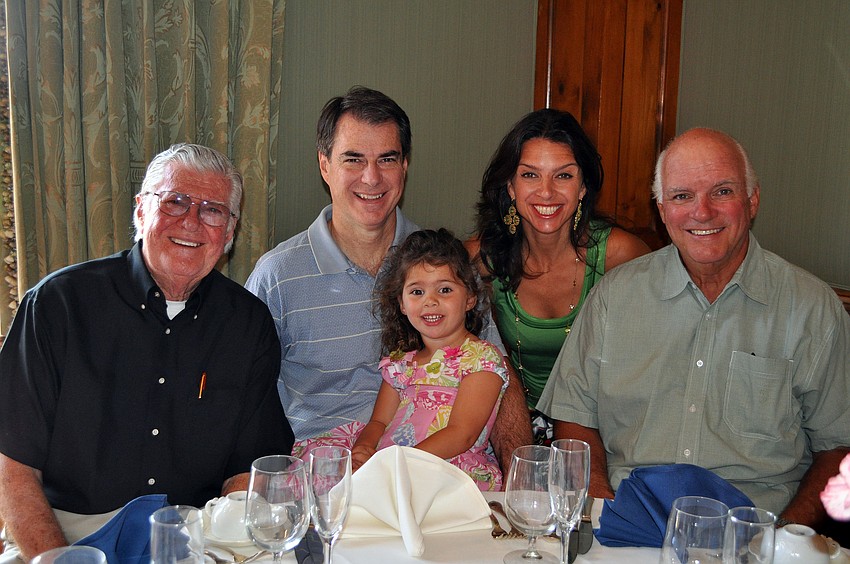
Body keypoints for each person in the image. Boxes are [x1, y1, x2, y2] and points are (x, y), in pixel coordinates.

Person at [537, 128, 850, 531]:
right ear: (662, 208)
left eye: (722, 191)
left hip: (755, 534)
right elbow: (575, 418)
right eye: (682, 196)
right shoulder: (615, 296)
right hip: (627, 524)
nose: (702, 212)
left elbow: (837, 447)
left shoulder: (812, 308)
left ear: (752, 200)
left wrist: (782, 538)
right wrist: (600, 511)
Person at [0, 144, 294, 561]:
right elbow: (11, 464)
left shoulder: (248, 325)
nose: (191, 221)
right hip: (66, 530)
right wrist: (58, 557)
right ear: (141, 210)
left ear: (228, 234)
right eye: (174, 202)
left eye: (212, 210)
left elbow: (248, 468)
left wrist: (225, 547)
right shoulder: (58, 304)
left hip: (195, 533)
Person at [245, 86, 531, 476]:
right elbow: (243, 395)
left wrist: (524, 482)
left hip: (436, 465)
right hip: (326, 474)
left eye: (387, 159)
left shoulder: (443, 266)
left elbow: (500, 377)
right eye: (353, 159)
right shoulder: (277, 276)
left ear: (405, 166)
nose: (372, 177)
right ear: (324, 165)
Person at [466, 108, 649, 444]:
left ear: (582, 188)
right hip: (517, 429)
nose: (546, 192)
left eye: (563, 176)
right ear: (510, 187)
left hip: (601, 431)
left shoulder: (619, 255)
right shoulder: (481, 259)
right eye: (530, 175)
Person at [351, 229, 508, 490]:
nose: (430, 301)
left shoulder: (481, 359)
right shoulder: (400, 364)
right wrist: (364, 449)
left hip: (448, 472)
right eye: (416, 292)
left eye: (444, 290)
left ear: (470, 298)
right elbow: (379, 422)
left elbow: (462, 433)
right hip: (393, 471)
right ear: (401, 304)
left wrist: (402, 463)